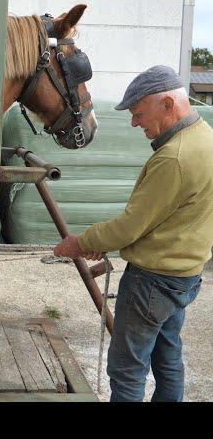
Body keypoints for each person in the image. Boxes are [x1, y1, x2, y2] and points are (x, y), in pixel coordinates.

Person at [53, 65, 213, 402]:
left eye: (139, 114)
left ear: (168, 104)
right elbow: (168, 218)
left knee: (127, 370)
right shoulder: (206, 138)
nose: (134, 123)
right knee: (168, 360)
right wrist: (108, 243)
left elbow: (129, 226)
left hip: (152, 283)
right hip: (184, 277)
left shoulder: (175, 158)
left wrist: (80, 244)